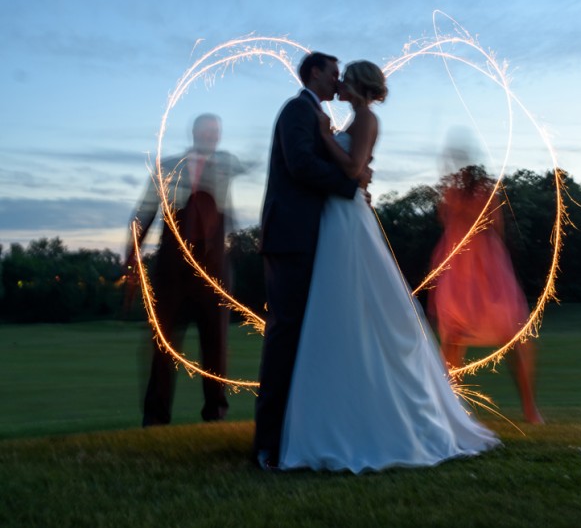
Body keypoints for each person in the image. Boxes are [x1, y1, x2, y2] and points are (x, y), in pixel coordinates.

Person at [277, 61, 500, 473]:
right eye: (333, 74)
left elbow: (353, 168)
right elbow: (357, 172)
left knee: (358, 296)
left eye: (344, 77)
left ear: (358, 85)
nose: (338, 82)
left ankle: (375, 417)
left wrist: (326, 139)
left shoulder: (365, 118)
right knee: (341, 303)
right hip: (336, 216)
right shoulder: (354, 117)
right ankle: (341, 408)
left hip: (346, 218)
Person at [254, 52, 362, 470]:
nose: (338, 80)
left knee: (305, 337)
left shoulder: (315, 114)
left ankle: (297, 435)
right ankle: (267, 445)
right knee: (285, 337)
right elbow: (299, 164)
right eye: (334, 73)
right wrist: (349, 185)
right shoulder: (297, 111)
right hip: (290, 238)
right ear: (314, 72)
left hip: (312, 237)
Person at [124, 113, 248, 427]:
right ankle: (155, 417)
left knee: (216, 343)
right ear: (194, 133)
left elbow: (257, 163)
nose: (210, 136)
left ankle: (216, 413)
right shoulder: (167, 167)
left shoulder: (226, 163)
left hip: (214, 270)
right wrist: (132, 258)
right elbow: (145, 212)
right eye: (205, 131)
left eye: (215, 132)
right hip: (172, 271)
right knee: (163, 344)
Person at [428, 160, 544, 424]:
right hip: (466, 264)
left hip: (477, 265)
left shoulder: (471, 193)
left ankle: (528, 408)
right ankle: (454, 406)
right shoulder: (464, 193)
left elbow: (487, 224)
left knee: (508, 335)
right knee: (457, 338)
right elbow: (493, 226)